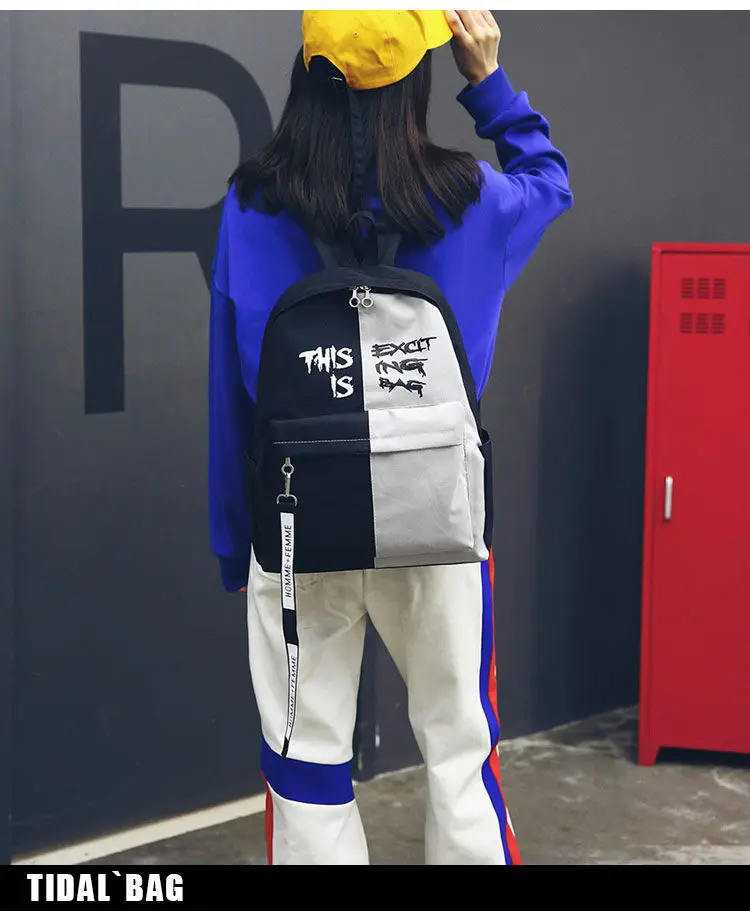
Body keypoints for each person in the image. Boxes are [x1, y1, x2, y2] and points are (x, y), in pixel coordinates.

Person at [209, 10, 572, 865]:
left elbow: (231, 392)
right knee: (460, 751)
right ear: (417, 78)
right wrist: (489, 82)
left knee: (304, 757)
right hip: (437, 520)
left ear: (306, 75)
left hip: (296, 527)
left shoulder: (252, 205)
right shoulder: (473, 199)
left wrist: (238, 546)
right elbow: (550, 180)